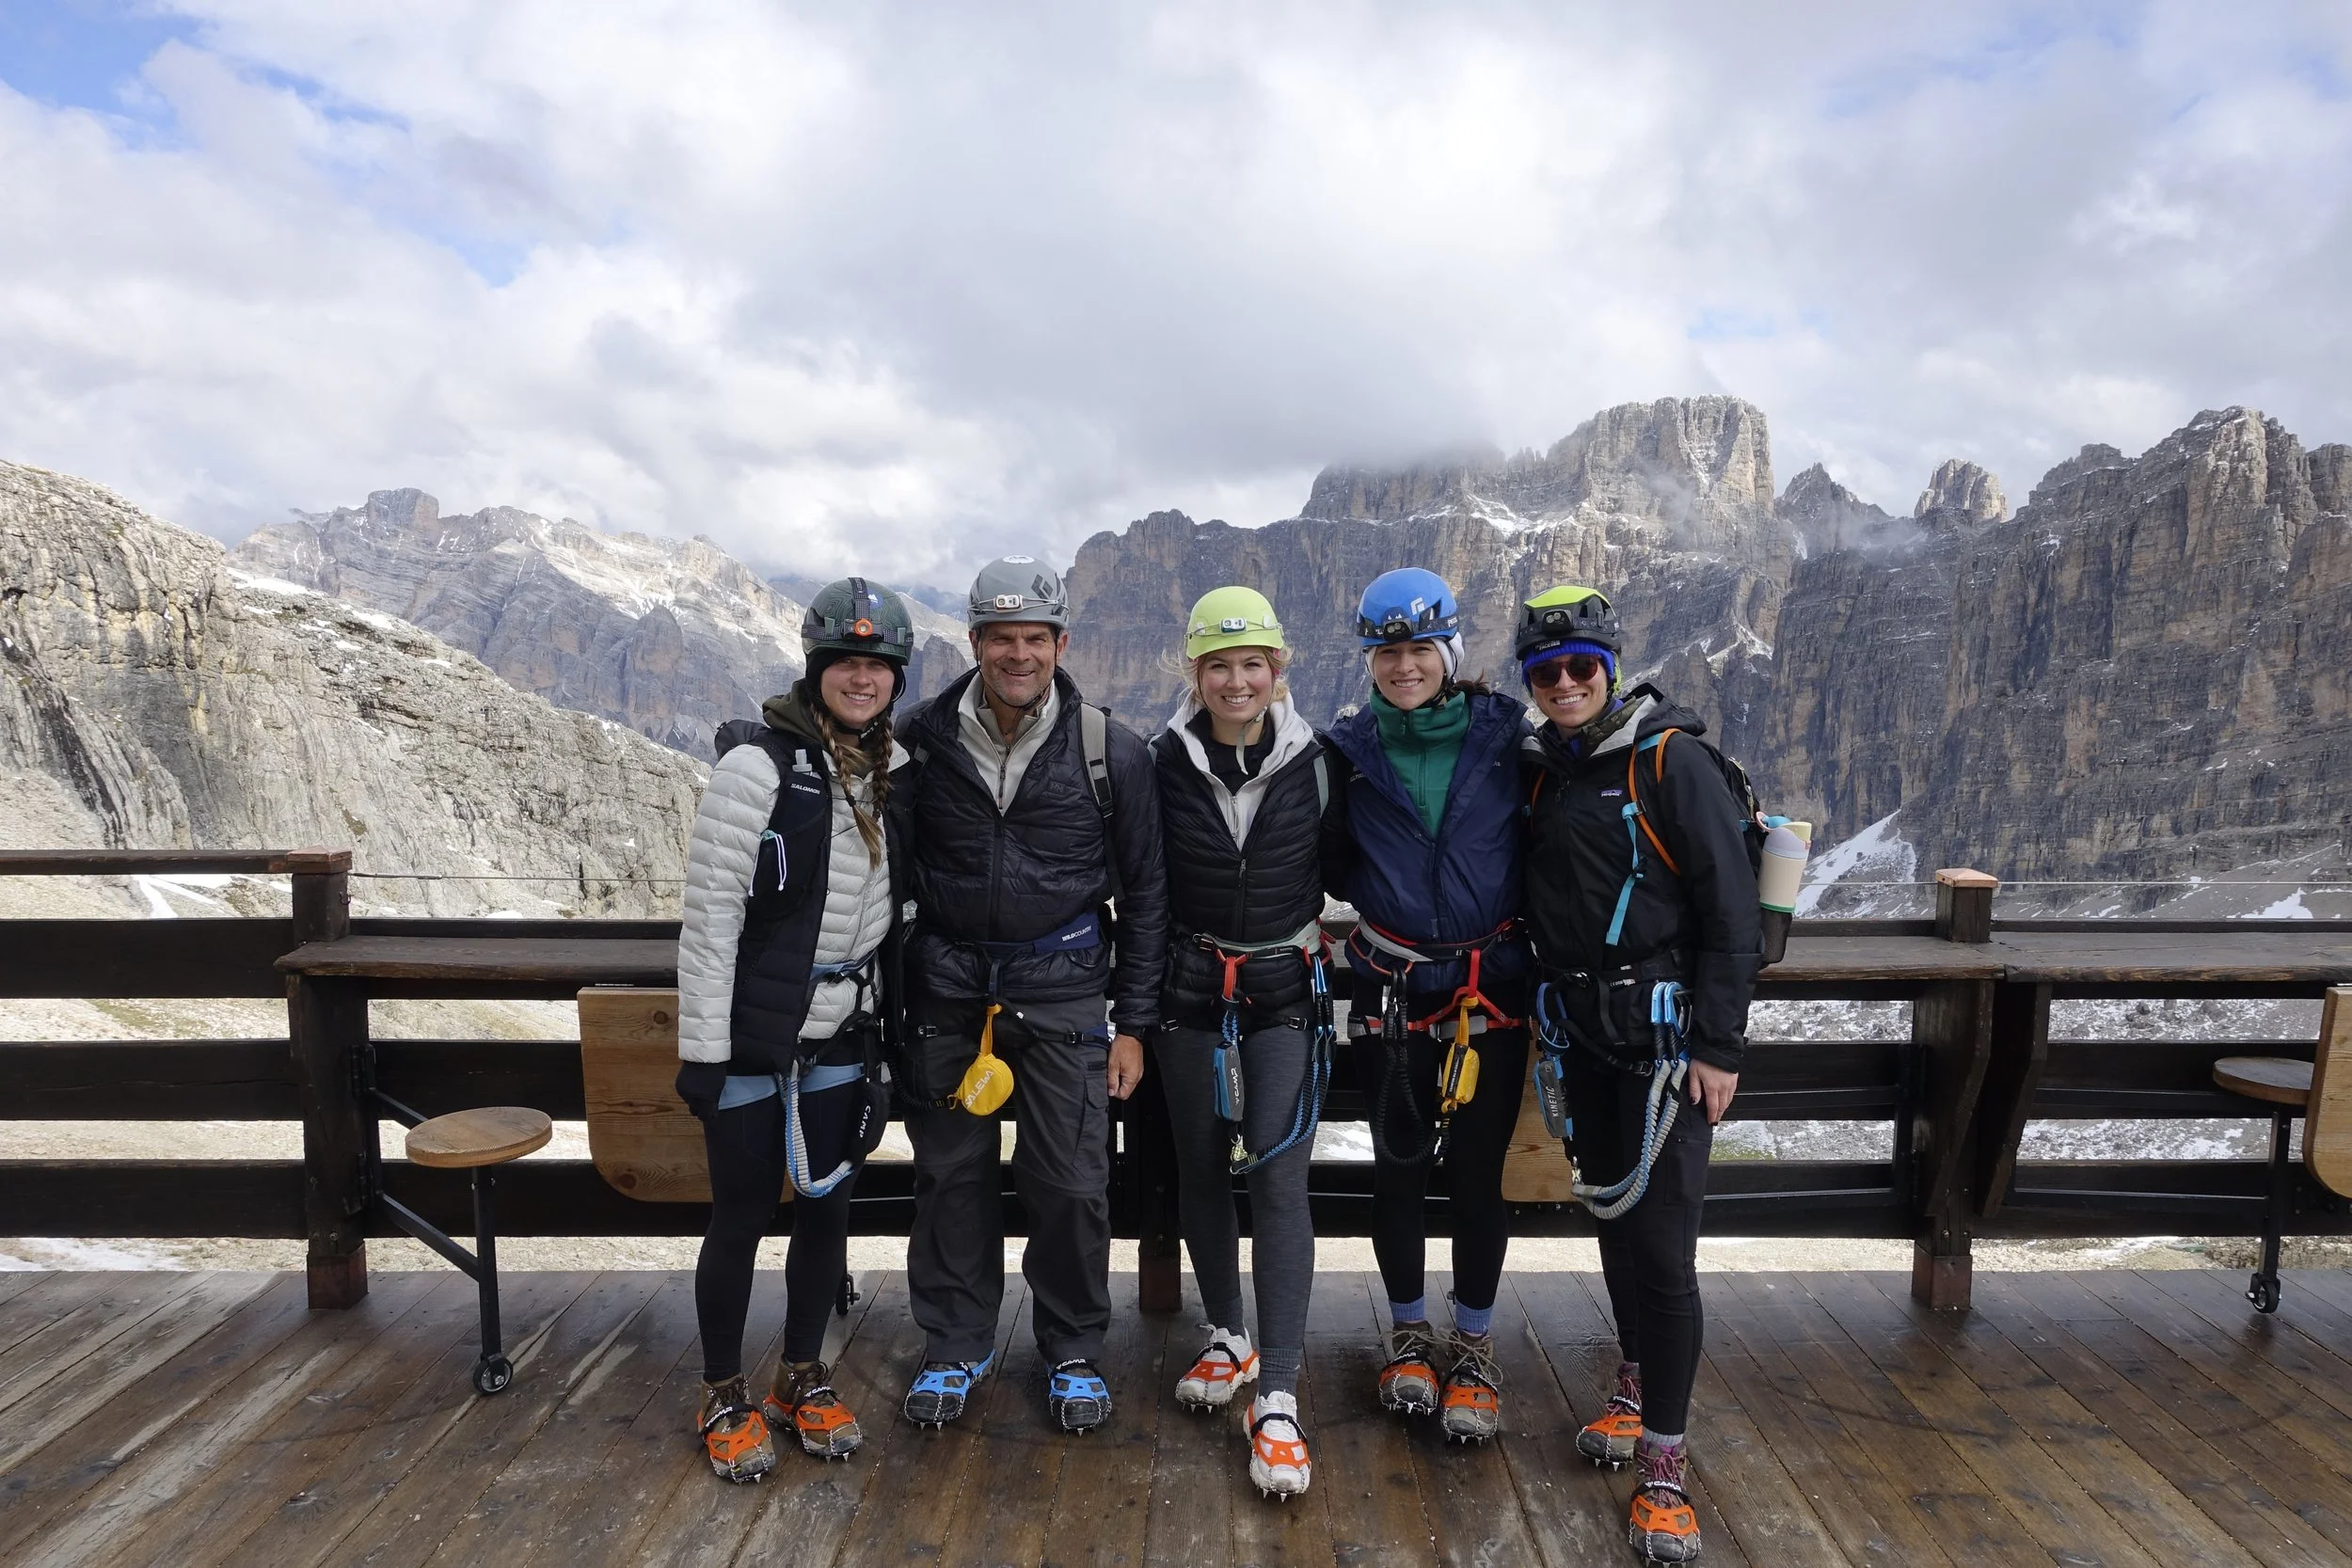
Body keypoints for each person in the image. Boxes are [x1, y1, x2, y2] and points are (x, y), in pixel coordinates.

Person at [891, 556, 1170, 1433]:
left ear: (1060, 643)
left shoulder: (1109, 750)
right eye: (1001, 639)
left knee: (1072, 1180)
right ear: (973, 642)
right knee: (948, 1176)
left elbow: (1148, 895)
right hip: (949, 987)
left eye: (1035, 639)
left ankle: (1073, 1345)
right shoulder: (921, 740)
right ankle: (954, 1342)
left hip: (1065, 991)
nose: (1019, 655)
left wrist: (1133, 1024)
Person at [1517, 583, 1760, 1563]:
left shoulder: (1673, 760)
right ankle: (1631, 1381)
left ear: (1610, 667)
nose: (1565, 683)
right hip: (1583, 1034)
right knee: (1615, 1225)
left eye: (1581, 666)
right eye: (1546, 671)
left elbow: (1731, 912)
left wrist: (1720, 1046)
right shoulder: (1543, 769)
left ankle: (1666, 1461)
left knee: (1662, 1252)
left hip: (1667, 1047)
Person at [674, 578, 917, 1481]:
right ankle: (723, 1391)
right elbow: (709, 923)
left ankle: (802, 1377)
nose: (863, 678)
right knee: (738, 1216)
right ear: (815, 669)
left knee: (827, 1213)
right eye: (847, 662)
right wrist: (703, 1053)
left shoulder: (888, 772)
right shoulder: (756, 768)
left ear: (896, 676)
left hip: (843, 1033)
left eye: (879, 664)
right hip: (749, 1038)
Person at [1323, 565, 1531, 1445]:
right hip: (1395, 988)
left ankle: (1473, 1348)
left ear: (1449, 652)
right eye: (1386, 652)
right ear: (1370, 660)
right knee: (1400, 1166)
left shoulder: (1506, 739)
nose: (1403, 666)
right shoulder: (1348, 752)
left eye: (1417, 649)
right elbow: (1325, 860)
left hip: (1492, 991)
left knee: (1479, 1177)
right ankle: (1409, 1334)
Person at [1149, 586, 1343, 1499]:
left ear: (1278, 670)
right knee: (1196, 1167)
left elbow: (1350, 867)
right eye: (1219, 664)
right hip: (1190, 991)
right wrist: (1134, 1016)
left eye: (1251, 663)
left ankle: (1278, 1390)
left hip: (1282, 996)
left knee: (1276, 1175)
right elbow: (1145, 896)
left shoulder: (1317, 763)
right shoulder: (1163, 762)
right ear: (1196, 673)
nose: (1236, 680)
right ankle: (1229, 1331)